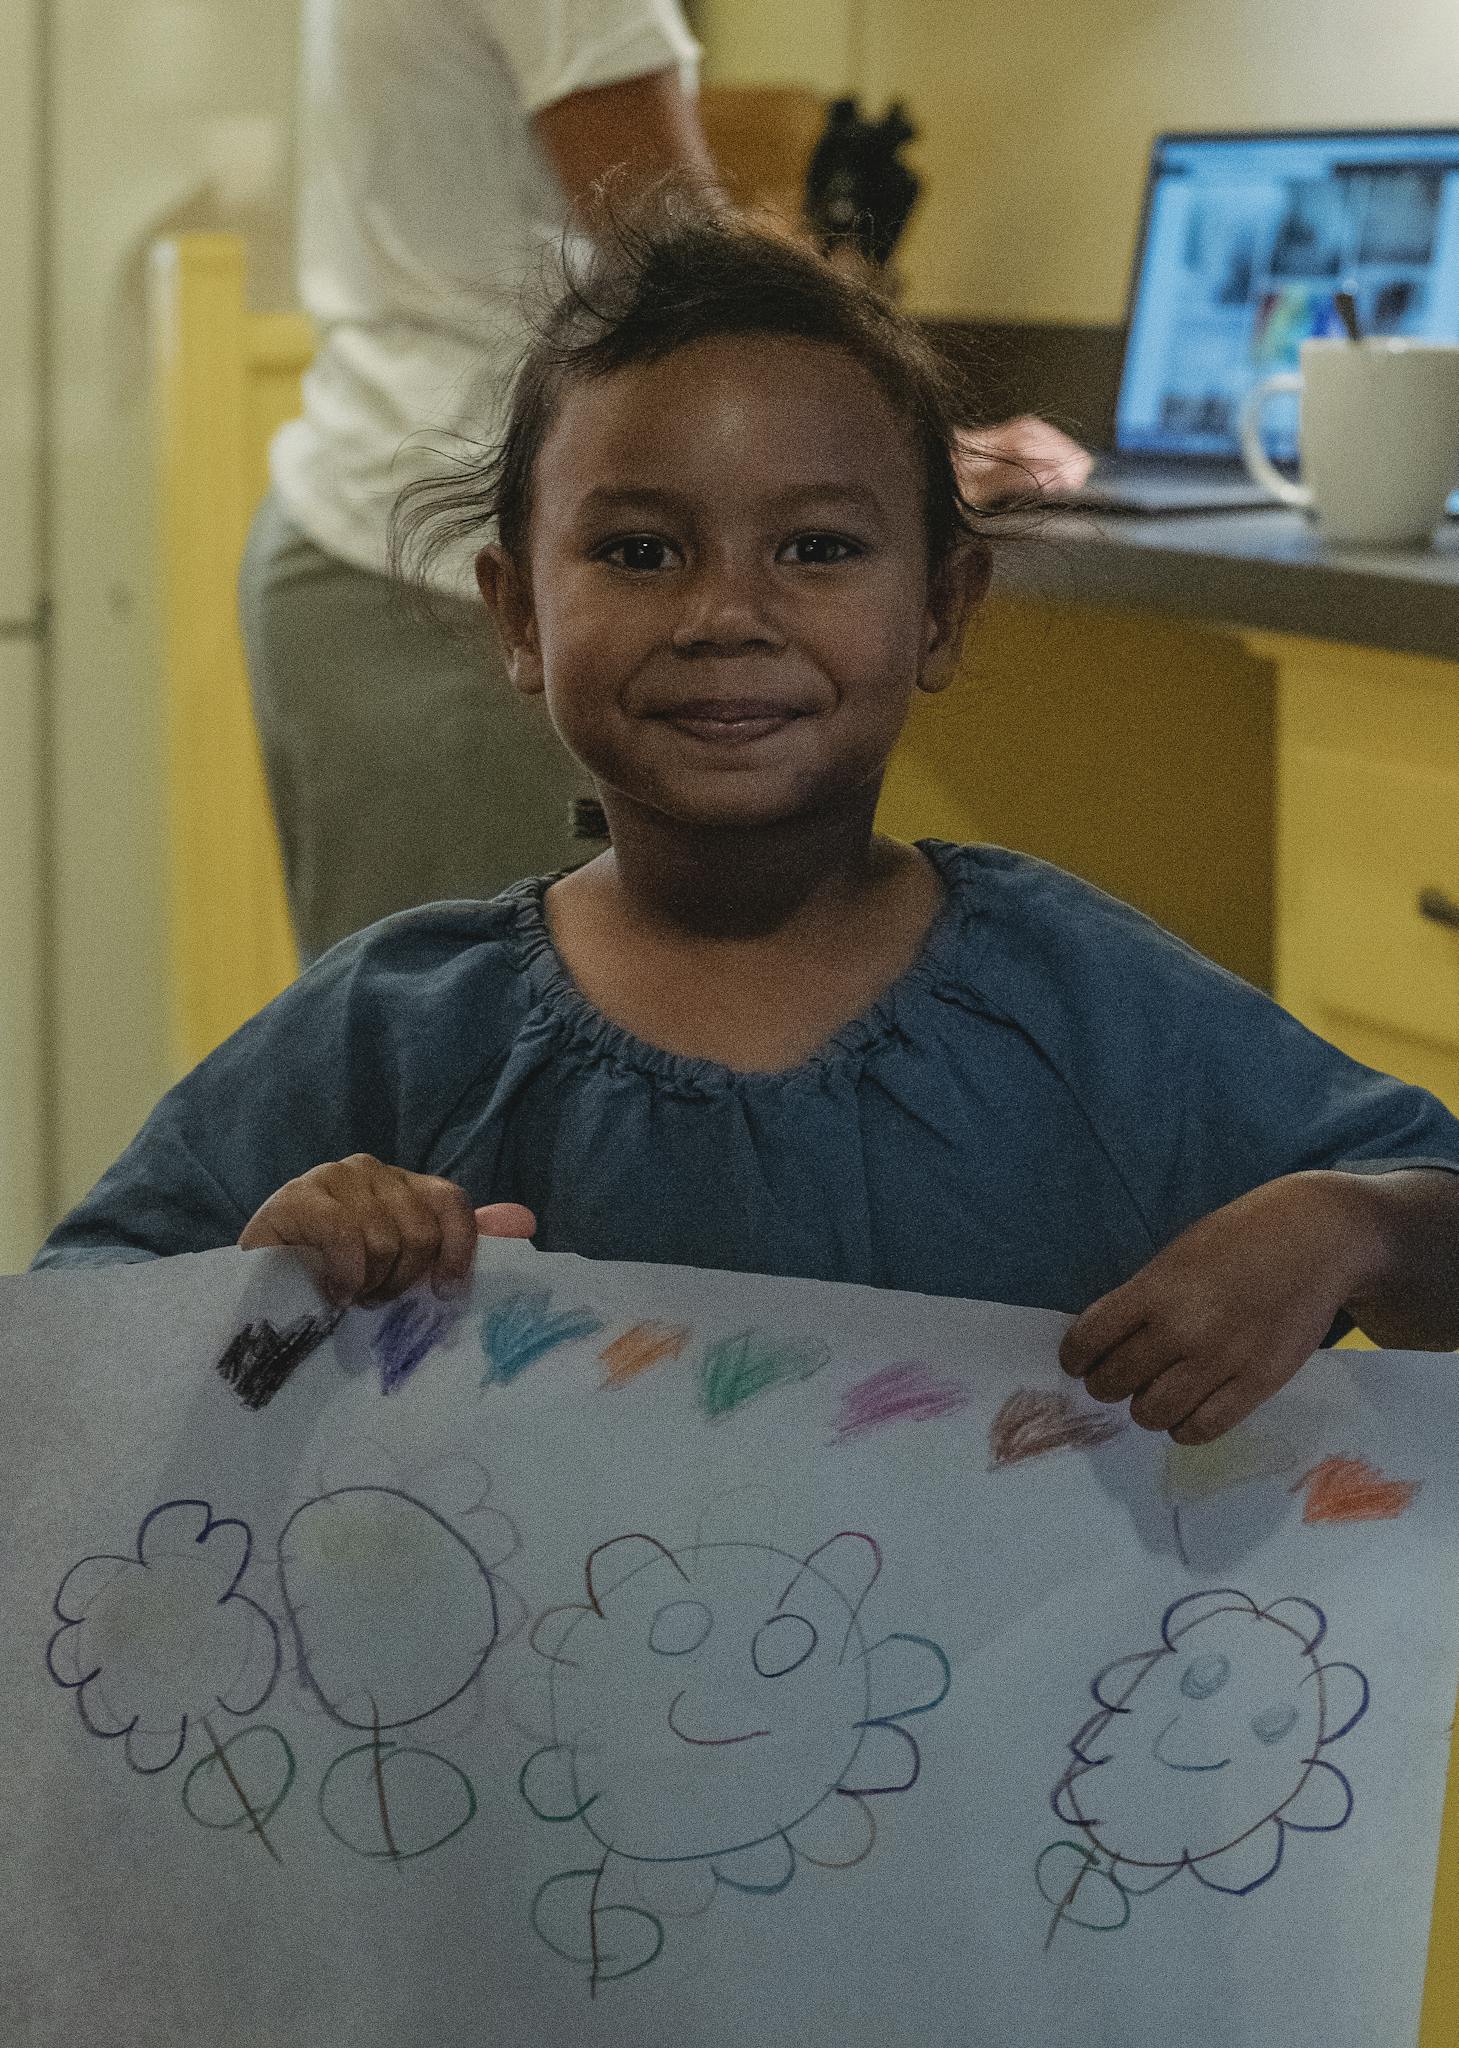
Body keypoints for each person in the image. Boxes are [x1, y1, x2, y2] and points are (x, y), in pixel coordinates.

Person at [38, 198, 1459, 1447]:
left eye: (817, 548)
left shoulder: (1085, 1010)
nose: (726, 616)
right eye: (640, 551)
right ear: (519, 614)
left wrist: (1353, 1225)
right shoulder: (394, 1032)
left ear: (942, 611)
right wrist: (260, 1272)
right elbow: (66, 1352)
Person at [243, 0, 716, 960]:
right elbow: (684, 265)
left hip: (384, 546)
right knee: (473, 1070)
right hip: (445, 577)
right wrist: (895, 446)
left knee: (438, 1063)